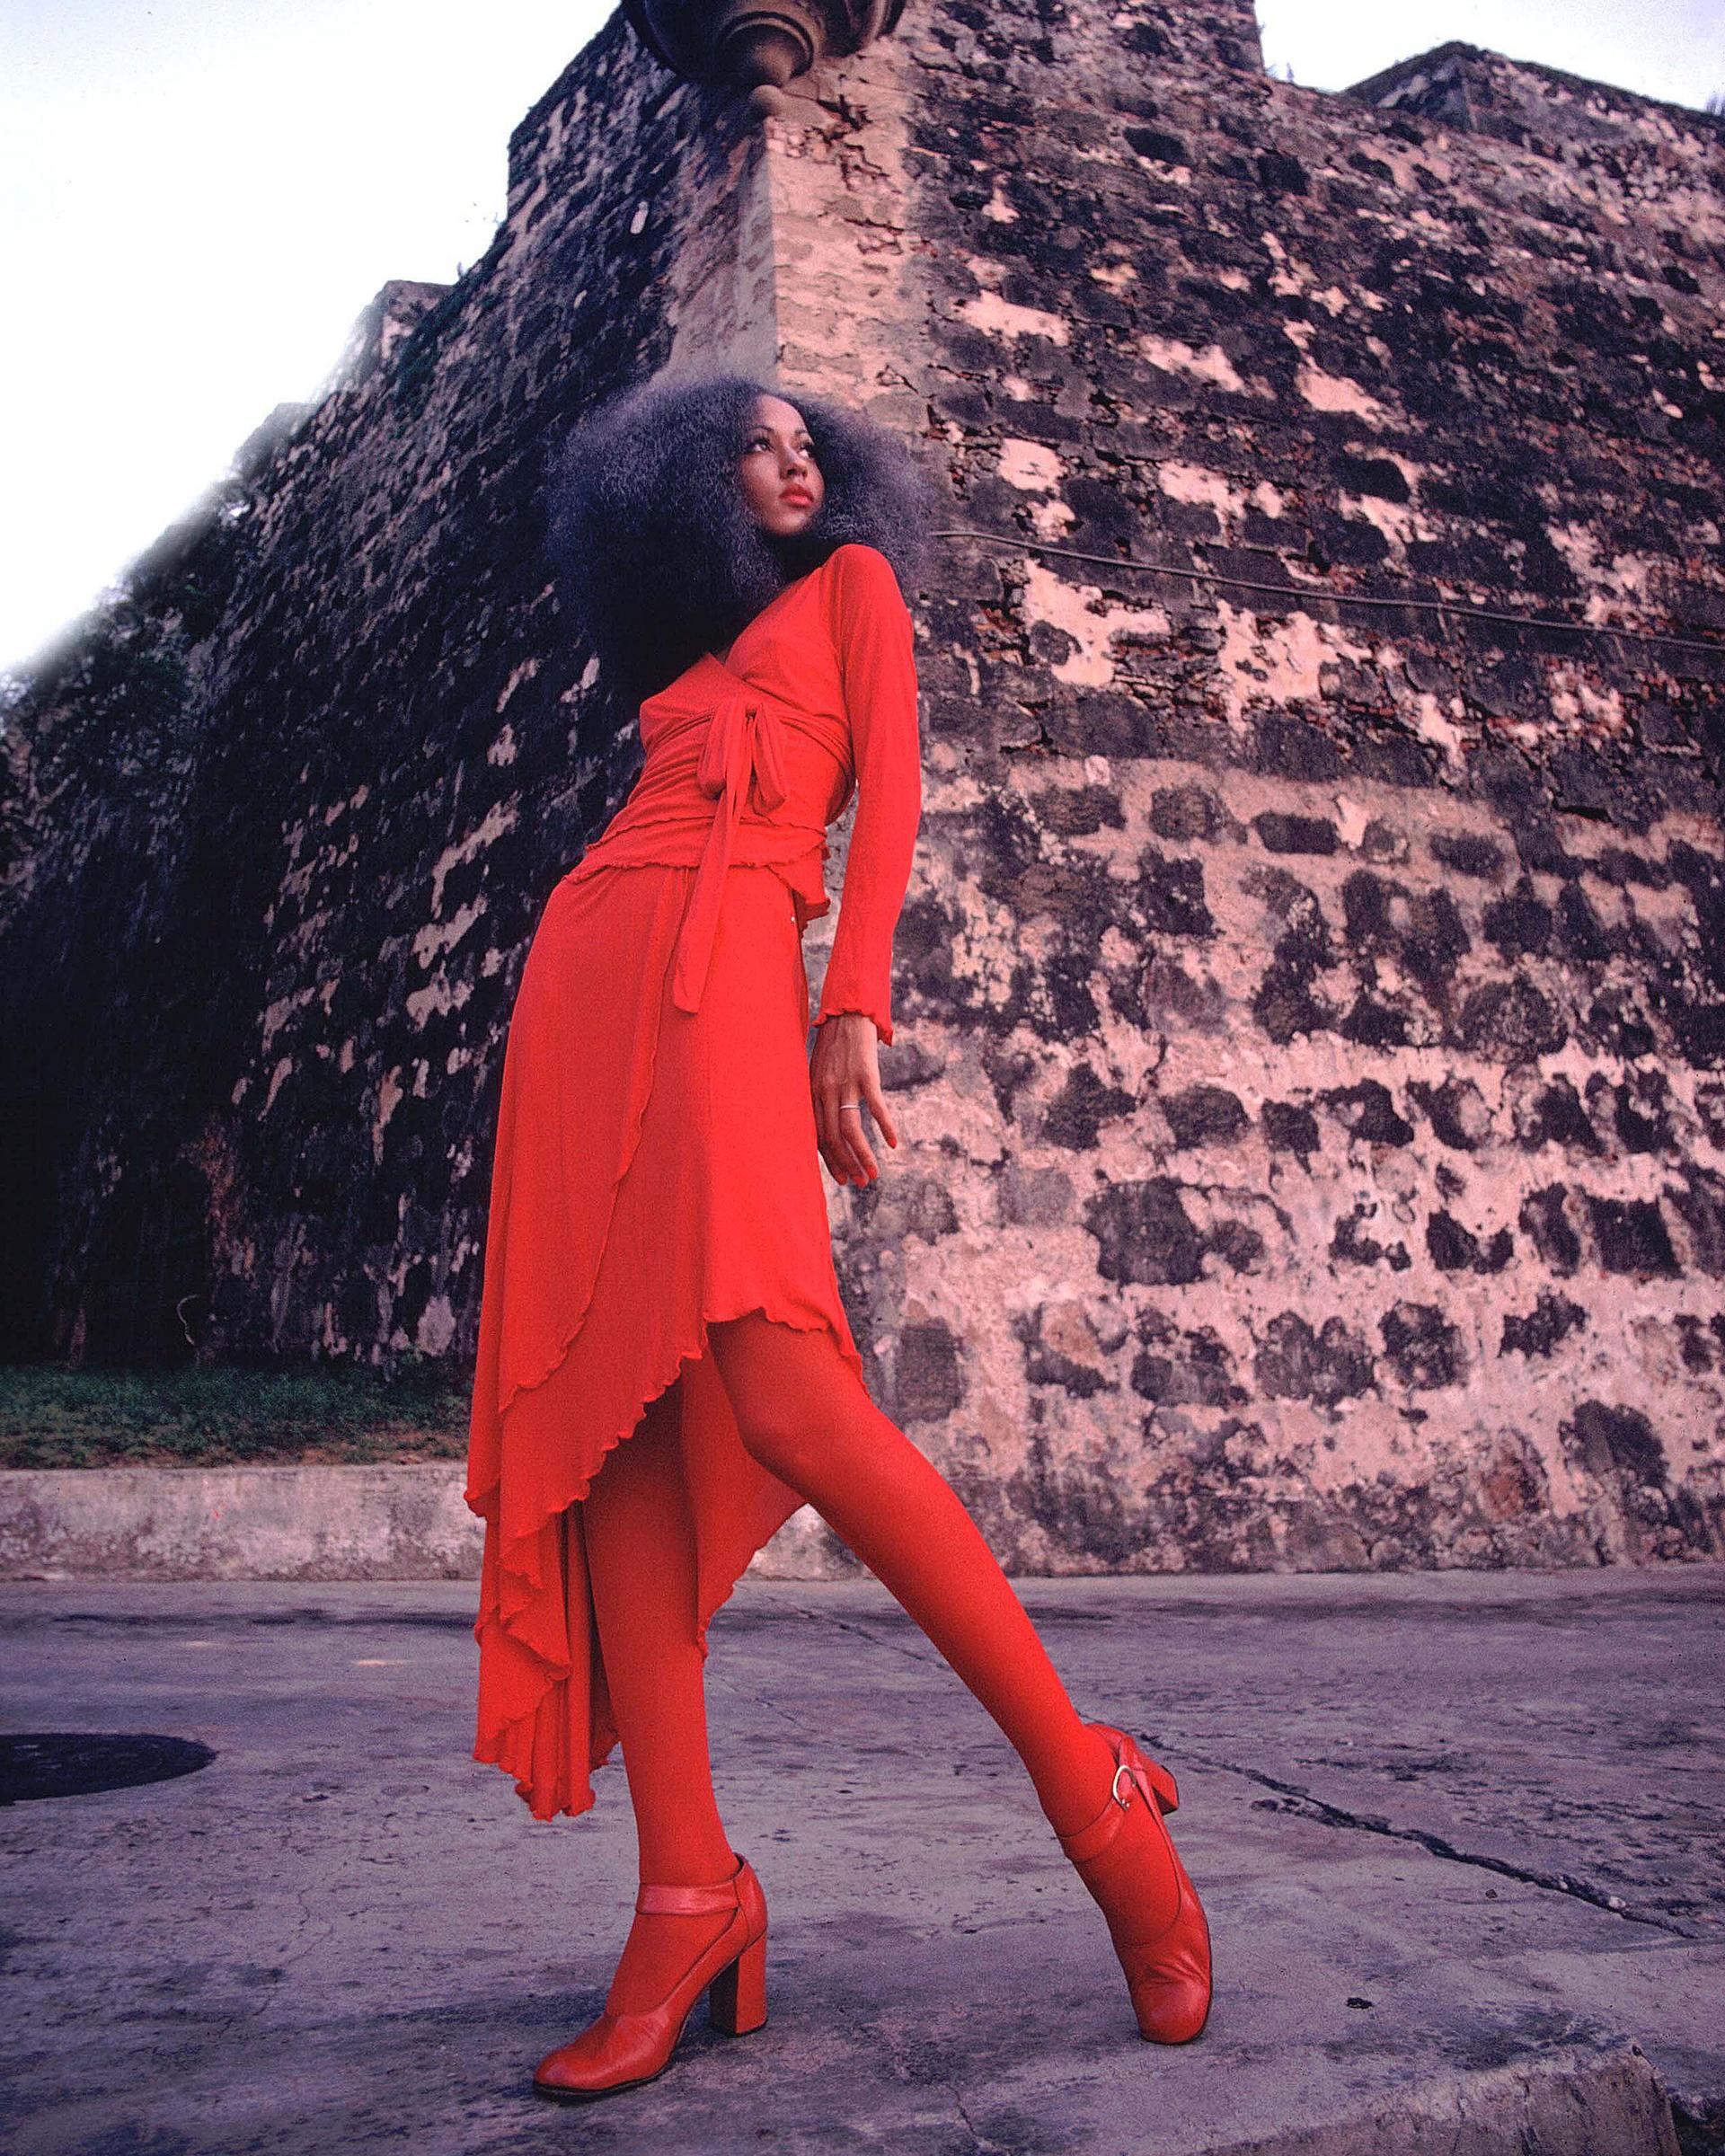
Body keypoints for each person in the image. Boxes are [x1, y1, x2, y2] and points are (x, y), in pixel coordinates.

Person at [463, 369, 1213, 2102]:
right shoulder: (682, 651)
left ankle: (1091, 1794)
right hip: (586, 990)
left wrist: (846, 1008)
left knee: (791, 1396)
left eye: (815, 442)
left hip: (738, 969)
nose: (796, 457)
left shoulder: (857, 594)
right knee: (619, 1436)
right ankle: (685, 1895)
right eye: (760, 443)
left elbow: (891, 798)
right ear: (690, 486)